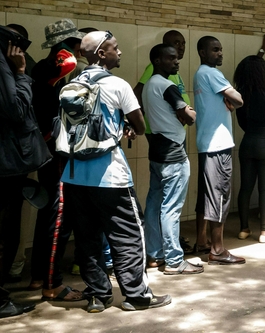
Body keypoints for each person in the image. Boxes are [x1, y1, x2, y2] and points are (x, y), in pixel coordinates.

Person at [64, 30, 171, 312]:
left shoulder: (72, 82)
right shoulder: (118, 85)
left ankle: (98, 296)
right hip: (110, 176)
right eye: (115, 48)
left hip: (73, 176)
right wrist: (126, 128)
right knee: (128, 237)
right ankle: (136, 297)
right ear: (101, 53)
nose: (119, 52)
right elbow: (140, 126)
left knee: (87, 239)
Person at [29, 19, 85, 301]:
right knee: (58, 215)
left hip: (48, 152)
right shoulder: (50, 67)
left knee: (50, 214)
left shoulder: (47, 71)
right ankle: (51, 284)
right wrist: (68, 51)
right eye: (77, 43)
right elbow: (70, 62)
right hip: (52, 154)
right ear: (67, 45)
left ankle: (39, 274)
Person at [0, 25, 49, 318]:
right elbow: (16, 109)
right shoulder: (6, 66)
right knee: (7, 233)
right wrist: (20, 74)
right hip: (6, 165)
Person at [142, 44, 202, 275]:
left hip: (157, 151)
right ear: (157, 61)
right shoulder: (167, 85)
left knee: (154, 204)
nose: (176, 62)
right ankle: (175, 260)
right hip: (174, 154)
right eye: (171, 58)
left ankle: (155, 255)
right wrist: (190, 110)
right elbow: (189, 117)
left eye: (177, 58)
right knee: (171, 208)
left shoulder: (149, 85)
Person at [194, 36, 245, 264]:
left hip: (208, 143)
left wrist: (229, 101)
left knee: (209, 195)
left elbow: (230, 103)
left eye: (221, 49)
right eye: (215, 50)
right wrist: (232, 97)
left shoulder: (200, 74)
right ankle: (217, 249)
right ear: (203, 53)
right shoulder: (212, 73)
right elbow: (239, 100)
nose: (220, 53)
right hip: (218, 144)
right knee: (220, 195)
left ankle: (203, 241)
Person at [234, 56, 265, 244]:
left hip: (248, 141)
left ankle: (243, 228)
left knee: (245, 187)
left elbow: (241, 122)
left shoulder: (240, 94)